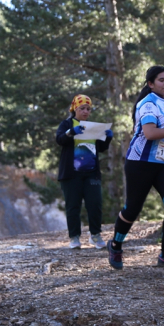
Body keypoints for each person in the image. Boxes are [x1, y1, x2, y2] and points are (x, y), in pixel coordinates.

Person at [106, 65, 164, 270]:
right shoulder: (147, 104)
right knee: (132, 209)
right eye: (161, 80)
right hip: (140, 163)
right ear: (151, 84)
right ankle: (115, 245)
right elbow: (150, 133)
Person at [56, 94, 114, 249]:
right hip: (71, 173)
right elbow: (59, 139)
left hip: (91, 172)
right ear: (75, 108)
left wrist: (108, 138)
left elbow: (101, 148)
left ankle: (95, 235)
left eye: (88, 108)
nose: (86, 111)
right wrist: (71, 132)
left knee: (95, 203)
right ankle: (74, 237)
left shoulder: (92, 127)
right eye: (82, 108)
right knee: (73, 206)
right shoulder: (67, 123)